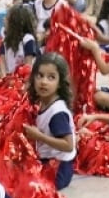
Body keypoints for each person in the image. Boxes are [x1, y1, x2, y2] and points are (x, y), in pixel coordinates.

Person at [22, 53, 76, 190]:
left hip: (58, 169)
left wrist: (39, 136)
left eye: (51, 77)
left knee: (25, 185)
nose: (43, 82)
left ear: (60, 83)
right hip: (48, 159)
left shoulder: (56, 113)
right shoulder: (45, 103)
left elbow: (68, 145)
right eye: (40, 75)